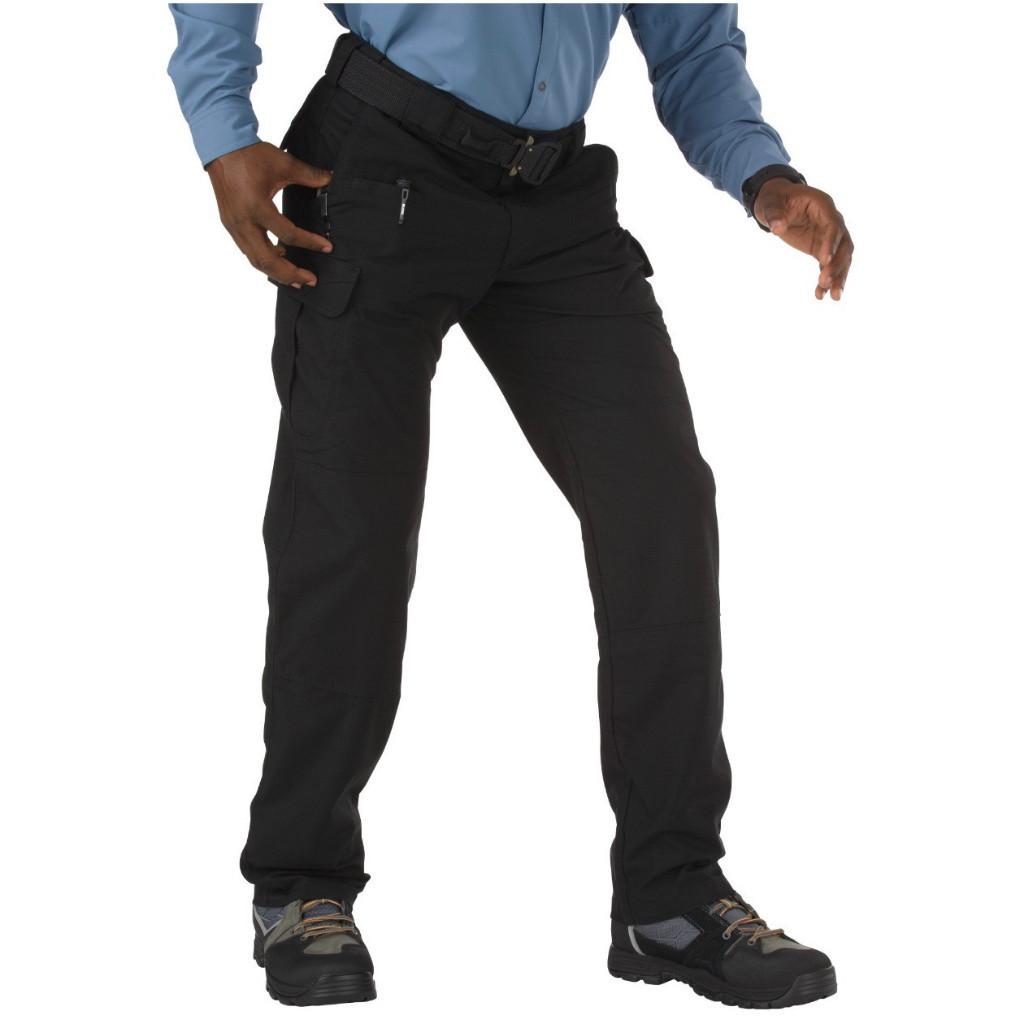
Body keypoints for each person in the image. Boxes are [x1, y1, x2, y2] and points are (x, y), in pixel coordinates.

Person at [168, 2, 851, 1009]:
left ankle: (669, 898)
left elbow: (693, 43)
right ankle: (300, 884)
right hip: (377, 172)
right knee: (349, 532)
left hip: (556, 201)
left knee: (660, 508)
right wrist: (221, 127)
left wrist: (764, 176)